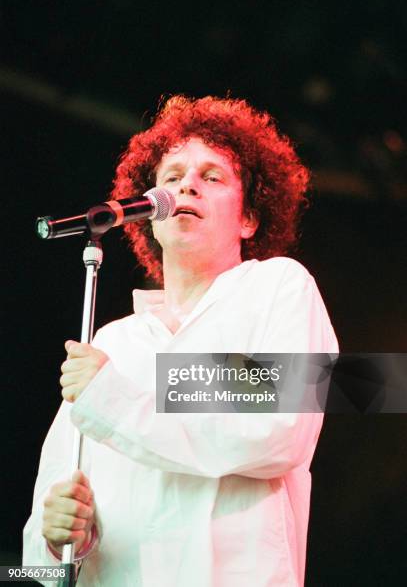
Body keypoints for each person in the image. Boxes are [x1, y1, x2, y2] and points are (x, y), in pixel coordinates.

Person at [23, 95, 338, 586]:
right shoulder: (112, 343)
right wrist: (58, 541)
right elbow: (33, 567)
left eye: (211, 177)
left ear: (249, 218)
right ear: (147, 214)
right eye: (171, 177)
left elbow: (277, 426)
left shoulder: (278, 286)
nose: (186, 183)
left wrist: (115, 399)